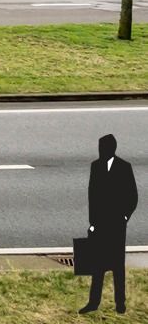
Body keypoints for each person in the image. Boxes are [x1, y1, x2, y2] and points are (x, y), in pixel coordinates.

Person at [85, 133, 137, 314]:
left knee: (117, 267)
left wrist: (124, 217)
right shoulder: (96, 166)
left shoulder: (124, 167)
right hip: (100, 223)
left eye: (103, 148)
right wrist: (92, 222)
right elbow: (92, 196)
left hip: (116, 225)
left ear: (111, 149)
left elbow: (132, 196)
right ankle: (93, 302)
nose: (101, 151)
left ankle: (120, 304)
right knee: (97, 266)